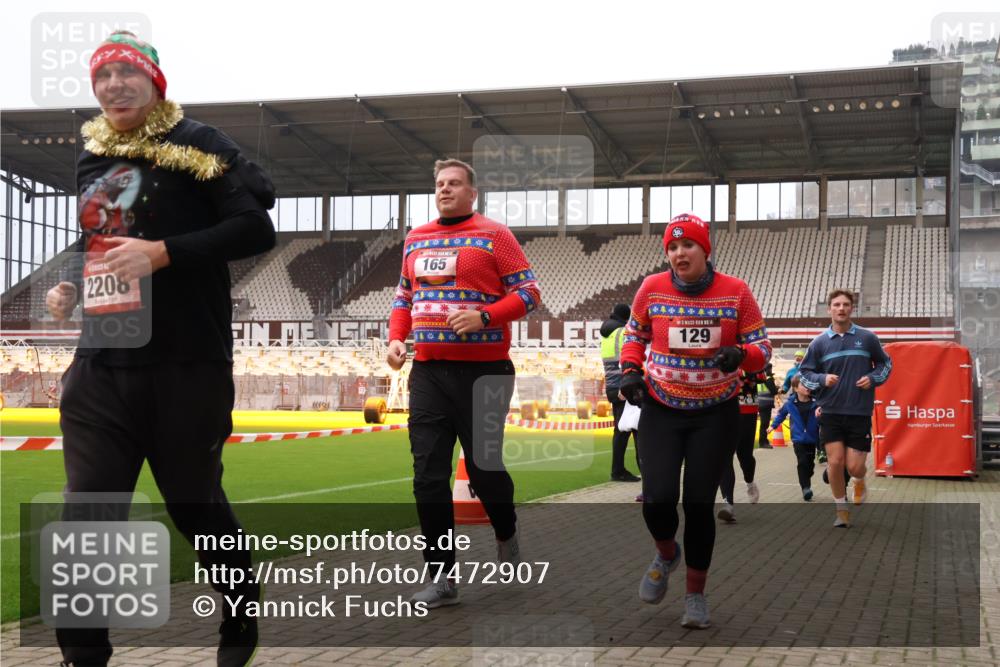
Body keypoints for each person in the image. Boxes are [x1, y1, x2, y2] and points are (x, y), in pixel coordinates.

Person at [44, 31, 276, 667]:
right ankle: (82, 656)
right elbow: (100, 246)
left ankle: (239, 617)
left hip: (186, 364)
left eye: (127, 72)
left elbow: (257, 226)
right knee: (86, 519)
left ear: (154, 80)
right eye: (102, 76)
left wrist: (164, 253)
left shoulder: (198, 142)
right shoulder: (91, 158)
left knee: (195, 508)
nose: (114, 85)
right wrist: (73, 289)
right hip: (101, 366)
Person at [386, 158, 540, 608]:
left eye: (454, 184)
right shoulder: (415, 239)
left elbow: (530, 293)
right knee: (428, 476)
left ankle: (506, 532)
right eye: (439, 184)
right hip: (429, 371)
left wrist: (485, 316)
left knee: (483, 469)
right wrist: (397, 340)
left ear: (473, 193)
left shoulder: (495, 236)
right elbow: (403, 296)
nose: (445, 190)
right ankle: (442, 577)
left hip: (485, 372)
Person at [619, 213, 770, 629]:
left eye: (687, 246)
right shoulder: (651, 288)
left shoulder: (736, 292)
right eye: (672, 246)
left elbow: (762, 346)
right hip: (662, 407)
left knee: (698, 506)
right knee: (658, 499)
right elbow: (635, 334)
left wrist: (742, 355)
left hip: (715, 412)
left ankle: (695, 596)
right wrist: (631, 370)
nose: (679, 253)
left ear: (706, 249)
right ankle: (667, 553)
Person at [798, 289, 892, 527]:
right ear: (829, 309)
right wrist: (822, 379)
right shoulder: (819, 343)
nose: (841, 308)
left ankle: (859, 481)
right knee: (835, 463)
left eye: (846, 305)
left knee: (855, 466)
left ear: (852, 309)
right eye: (836, 305)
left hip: (859, 411)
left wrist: (872, 378)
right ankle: (841, 510)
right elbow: (805, 374)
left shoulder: (867, 337)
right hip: (830, 411)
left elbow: (885, 364)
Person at [601, 303, 641, 482]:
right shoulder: (623, 332)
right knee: (637, 429)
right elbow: (627, 359)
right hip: (623, 387)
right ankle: (642, 470)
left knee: (620, 431)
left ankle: (617, 470)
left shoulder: (607, 334)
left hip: (612, 386)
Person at [716, 369, 761, 522]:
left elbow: (761, 375)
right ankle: (728, 504)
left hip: (747, 408)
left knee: (745, 456)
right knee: (724, 457)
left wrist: (743, 372)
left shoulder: (749, 348)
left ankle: (750, 482)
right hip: (722, 407)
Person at [768, 375, 820, 500]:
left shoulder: (816, 402)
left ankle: (807, 476)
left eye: (809, 385)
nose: (807, 387)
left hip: (812, 438)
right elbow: (781, 415)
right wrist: (773, 426)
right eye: (804, 385)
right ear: (796, 388)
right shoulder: (790, 403)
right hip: (798, 439)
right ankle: (806, 488)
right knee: (802, 462)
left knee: (810, 465)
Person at [756, 363, 779, 448]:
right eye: (770, 369)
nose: (771, 371)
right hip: (766, 404)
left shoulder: (760, 378)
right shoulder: (768, 379)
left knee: (763, 423)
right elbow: (774, 391)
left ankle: (763, 441)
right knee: (765, 424)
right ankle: (763, 442)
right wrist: (777, 387)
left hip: (760, 403)